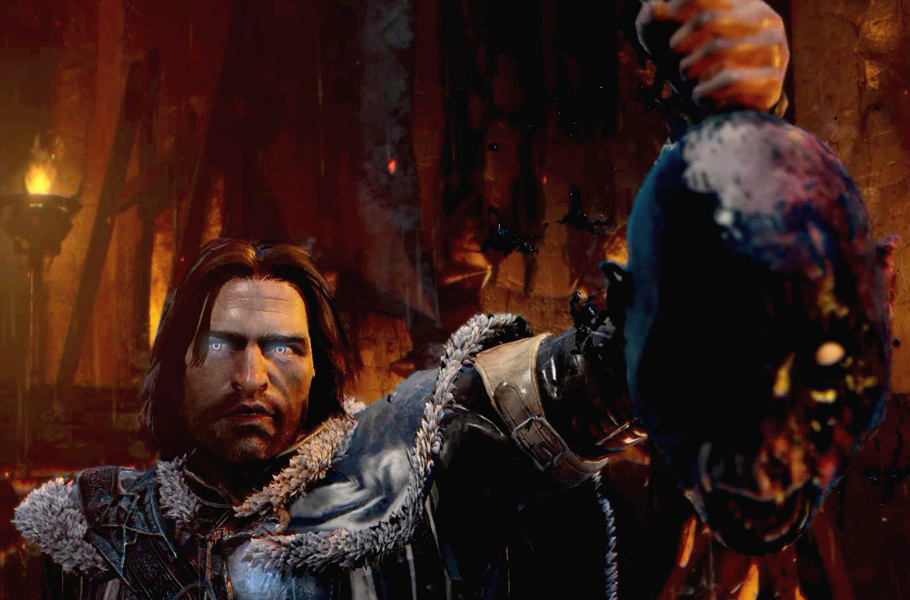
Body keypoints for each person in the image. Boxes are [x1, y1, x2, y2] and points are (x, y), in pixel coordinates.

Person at [12, 2, 813, 599]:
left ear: (320, 369)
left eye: (284, 347)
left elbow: (542, 396)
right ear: (179, 362)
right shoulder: (93, 526)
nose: (253, 376)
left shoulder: (385, 472)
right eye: (226, 344)